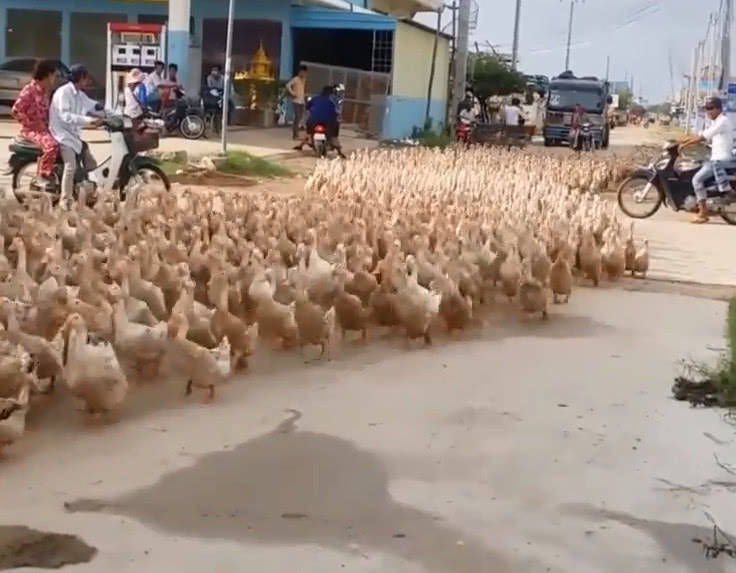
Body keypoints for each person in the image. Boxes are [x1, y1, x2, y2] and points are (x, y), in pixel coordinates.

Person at [49, 64, 103, 206]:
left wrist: (106, 111)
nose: (88, 81)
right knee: (70, 165)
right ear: (80, 78)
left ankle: (89, 190)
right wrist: (89, 120)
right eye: (86, 78)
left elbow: (91, 105)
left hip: (72, 134)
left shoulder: (79, 93)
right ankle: (65, 200)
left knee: (89, 159)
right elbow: (65, 116)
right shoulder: (64, 93)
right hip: (61, 134)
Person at [679, 96, 735, 224]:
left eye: (710, 108)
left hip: (720, 159)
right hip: (715, 157)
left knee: (696, 179)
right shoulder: (716, 122)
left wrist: (685, 145)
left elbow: (703, 137)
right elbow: (701, 134)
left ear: (718, 109)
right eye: (706, 109)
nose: (708, 112)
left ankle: (703, 213)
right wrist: (680, 141)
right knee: (694, 167)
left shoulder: (723, 121)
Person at [11, 59, 59, 188]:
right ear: (47, 75)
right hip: (32, 131)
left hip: (45, 129)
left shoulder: (44, 91)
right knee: (51, 146)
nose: (55, 79)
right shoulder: (29, 90)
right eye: (54, 76)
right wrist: (30, 124)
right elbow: (16, 110)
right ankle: (42, 175)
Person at [294, 85, 345, 158]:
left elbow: (307, 107)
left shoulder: (315, 99)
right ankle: (339, 151)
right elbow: (336, 112)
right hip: (328, 122)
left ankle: (302, 144)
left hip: (313, 121)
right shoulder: (333, 100)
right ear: (332, 93)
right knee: (334, 135)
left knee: (309, 132)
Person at [287, 64, 308, 140]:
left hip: (302, 101)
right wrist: (293, 93)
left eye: (305, 72)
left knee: (300, 117)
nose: (303, 74)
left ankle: (297, 134)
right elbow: (288, 85)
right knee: (297, 117)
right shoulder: (295, 79)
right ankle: (295, 135)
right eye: (302, 72)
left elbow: (303, 90)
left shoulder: (304, 79)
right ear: (299, 72)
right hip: (296, 101)